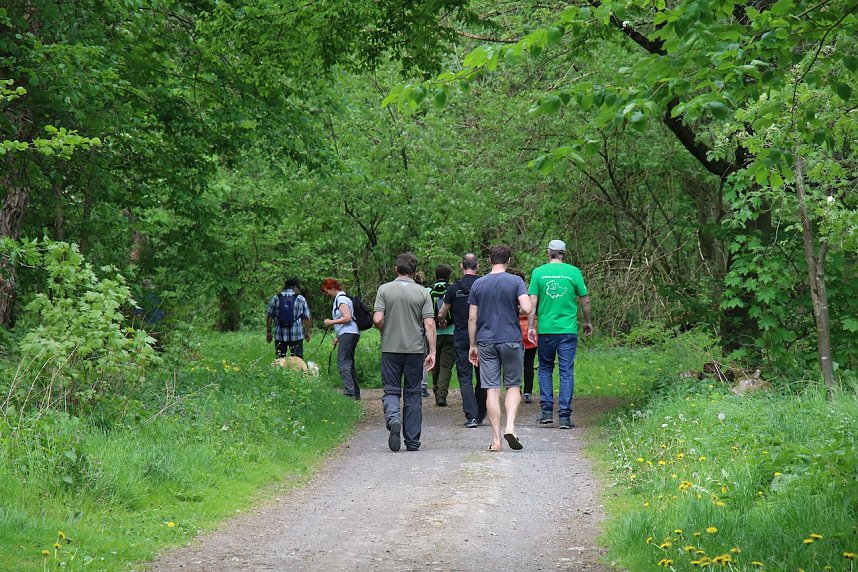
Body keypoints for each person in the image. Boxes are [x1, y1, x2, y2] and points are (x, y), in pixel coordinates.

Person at [468, 245, 532, 452]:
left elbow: (472, 317)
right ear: (509, 261)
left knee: (491, 389)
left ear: (489, 260)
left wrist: (472, 344)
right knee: (513, 386)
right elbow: (528, 308)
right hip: (511, 339)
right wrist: (517, 307)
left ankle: (496, 441)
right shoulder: (516, 281)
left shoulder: (478, 284)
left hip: (486, 341)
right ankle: (510, 427)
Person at [373, 252, 436, 452]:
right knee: (413, 393)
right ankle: (412, 440)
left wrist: (385, 329)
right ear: (414, 271)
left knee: (391, 389)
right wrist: (432, 350)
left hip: (390, 348)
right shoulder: (423, 293)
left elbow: (376, 319)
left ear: (396, 269)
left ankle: (393, 419)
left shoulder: (384, 289)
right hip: (415, 349)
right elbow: (429, 323)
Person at [527, 239, 592, 429]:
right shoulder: (574, 272)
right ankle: (564, 416)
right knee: (566, 371)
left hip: (546, 330)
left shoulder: (538, 272)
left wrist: (531, 326)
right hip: (568, 331)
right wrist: (588, 322)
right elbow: (585, 301)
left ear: (549, 252)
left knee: (545, 368)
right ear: (563, 253)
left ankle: (547, 412)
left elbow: (532, 301)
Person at [438, 253, 486, 428]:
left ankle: (471, 416)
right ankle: (480, 413)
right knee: (483, 376)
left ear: (461, 266)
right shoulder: (484, 285)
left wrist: (442, 320)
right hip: (483, 336)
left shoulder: (453, 289)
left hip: (461, 337)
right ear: (478, 266)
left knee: (465, 376)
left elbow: (442, 312)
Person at [321, 278, 361, 400]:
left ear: (332, 288)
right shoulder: (343, 298)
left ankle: (350, 393)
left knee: (342, 362)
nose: (327, 294)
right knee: (349, 362)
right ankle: (355, 393)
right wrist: (339, 338)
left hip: (348, 333)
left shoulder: (341, 299)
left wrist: (330, 322)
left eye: (327, 291)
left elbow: (347, 317)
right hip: (349, 333)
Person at [428, 264, 455, 406]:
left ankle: (436, 390)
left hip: (432, 333)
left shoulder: (428, 290)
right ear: (449, 275)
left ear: (435, 275)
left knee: (435, 364)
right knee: (446, 365)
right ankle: (441, 394)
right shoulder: (453, 289)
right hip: (451, 332)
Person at [266, 278, 312, 359]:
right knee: (297, 360)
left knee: (280, 360)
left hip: (279, 334)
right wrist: (307, 332)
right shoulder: (301, 299)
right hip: (296, 335)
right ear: (295, 287)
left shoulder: (276, 298)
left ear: (285, 286)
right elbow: (307, 318)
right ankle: (296, 372)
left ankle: (280, 371)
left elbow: (269, 316)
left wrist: (269, 332)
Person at [510, 269, 537, 404]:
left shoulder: (509, 294)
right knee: (529, 363)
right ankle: (528, 392)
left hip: (514, 332)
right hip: (530, 332)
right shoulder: (529, 295)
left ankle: (517, 390)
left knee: (515, 363)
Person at [415, 271, 431, 398]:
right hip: (422, 330)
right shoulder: (425, 293)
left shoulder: (409, 292)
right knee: (424, 358)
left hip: (409, 330)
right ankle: (423, 386)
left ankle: (413, 384)